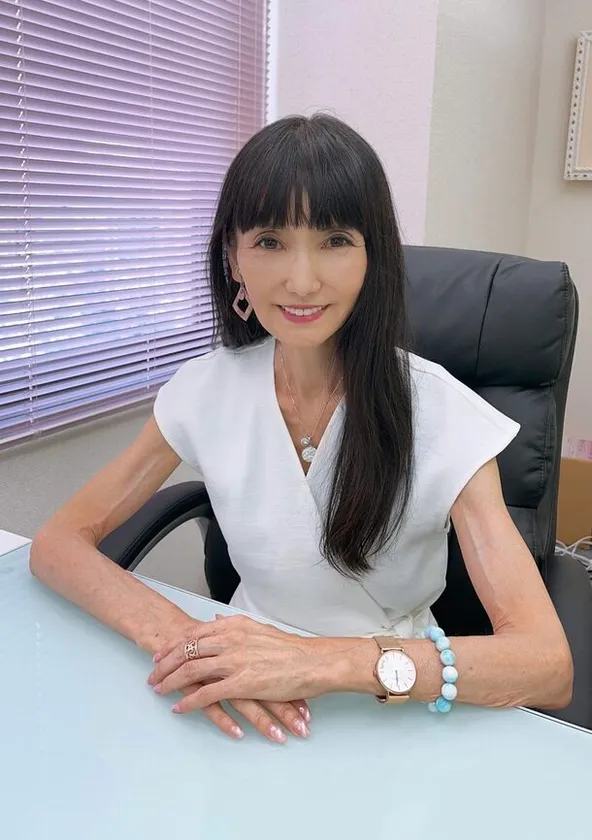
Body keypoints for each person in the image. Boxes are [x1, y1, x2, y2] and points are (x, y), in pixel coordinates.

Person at [30, 113, 573, 744]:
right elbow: (58, 542)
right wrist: (186, 643)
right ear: (233, 257)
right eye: (269, 241)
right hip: (242, 690)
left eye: (336, 240)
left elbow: (546, 664)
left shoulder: (443, 414)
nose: (302, 280)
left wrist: (318, 664)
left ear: (372, 256)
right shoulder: (206, 389)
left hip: (392, 695)